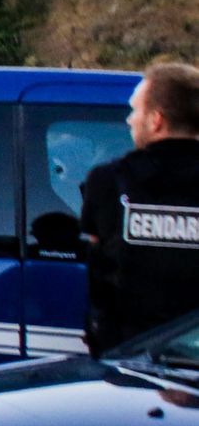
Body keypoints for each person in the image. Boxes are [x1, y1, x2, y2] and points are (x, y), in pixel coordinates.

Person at [81, 62, 199, 354]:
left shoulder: (107, 180)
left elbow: (96, 264)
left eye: (136, 110)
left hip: (125, 355)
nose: (130, 120)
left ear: (156, 120)